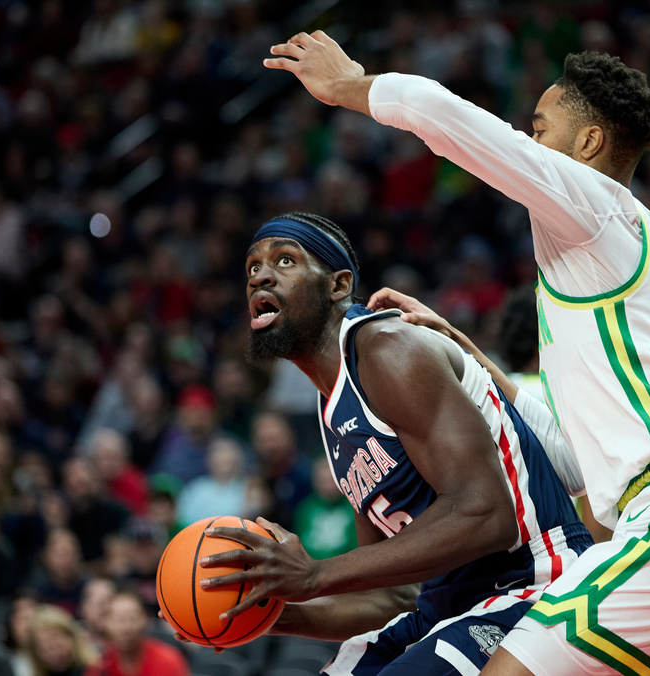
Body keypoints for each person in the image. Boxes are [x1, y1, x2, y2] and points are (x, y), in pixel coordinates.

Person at [264, 34, 650, 675]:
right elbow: (578, 460)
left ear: (589, 144)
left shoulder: (597, 209)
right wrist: (472, 357)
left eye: (541, 130)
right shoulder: (614, 258)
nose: (529, 141)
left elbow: (449, 118)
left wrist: (349, 83)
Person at [196, 212, 591, 675]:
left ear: (338, 286)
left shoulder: (386, 348)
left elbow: (487, 514)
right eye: (252, 268)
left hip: (535, 582)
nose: (260, 275)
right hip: (443, 605)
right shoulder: (330, 410)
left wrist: (316, 575)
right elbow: (392, 595)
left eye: (285, 261)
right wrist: (261, 616)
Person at [86, 592, 189, 676]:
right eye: (119, 620)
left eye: (132, 618)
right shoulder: (100, 665)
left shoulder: (168, 660)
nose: (126, 627)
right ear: (105, 623)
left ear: (145, 620)